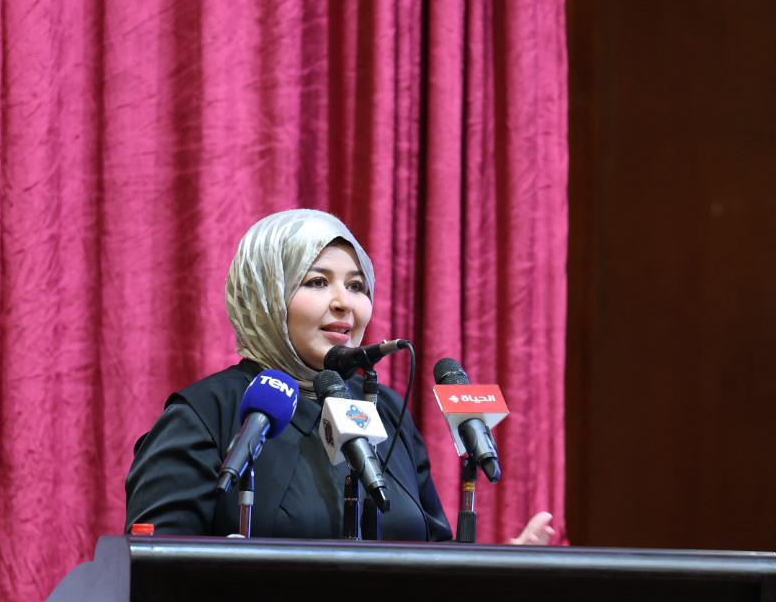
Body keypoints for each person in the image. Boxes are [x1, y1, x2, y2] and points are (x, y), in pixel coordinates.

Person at [126, 208, 555, 544]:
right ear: (264, 295)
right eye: (317, 282)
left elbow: (432, 556)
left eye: (356, 286)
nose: (344, 303)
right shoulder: (206, 412)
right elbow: (156, 571)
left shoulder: (384, 409)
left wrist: (495, 575)